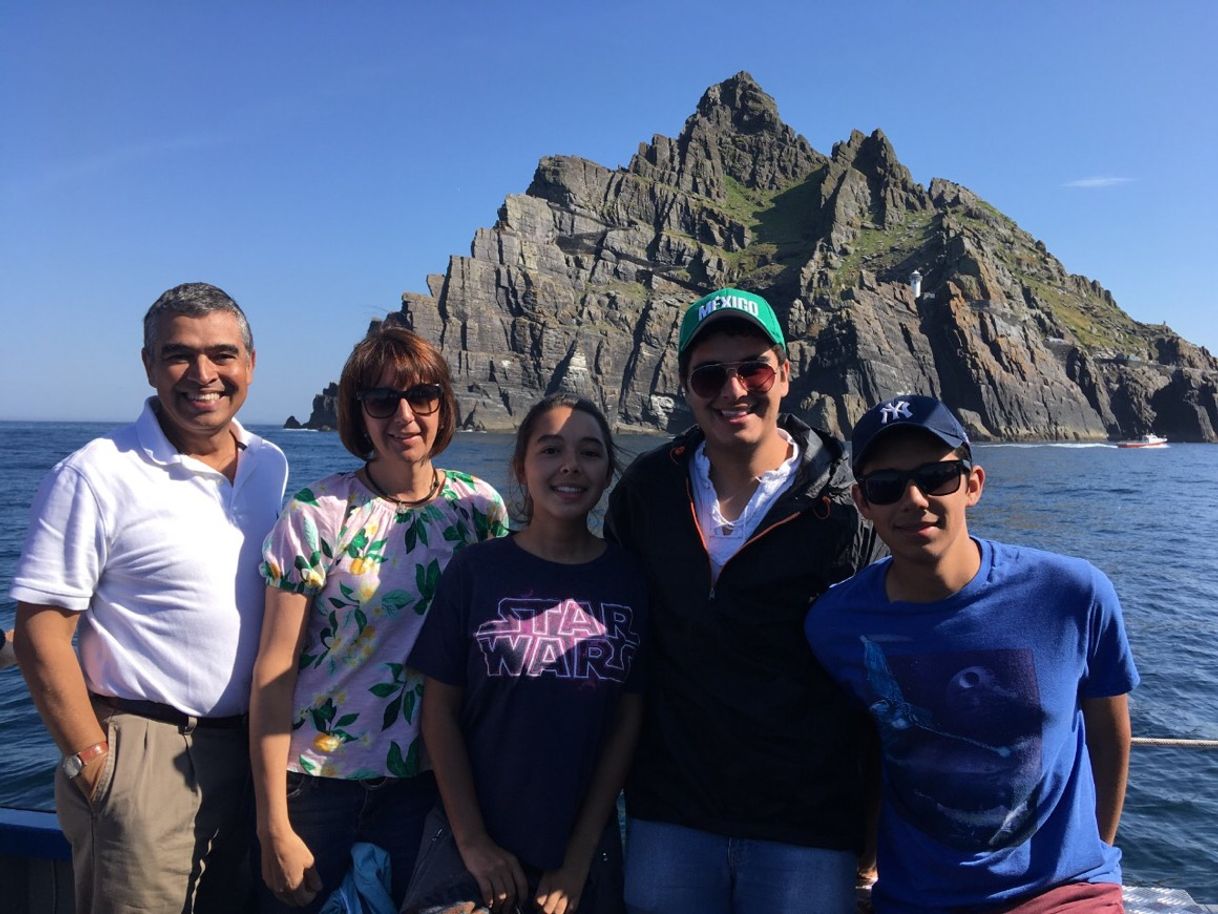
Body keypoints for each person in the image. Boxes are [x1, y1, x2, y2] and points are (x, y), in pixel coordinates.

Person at [12, 282, 289, 914]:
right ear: (148, 365)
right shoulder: (95, 474)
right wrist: (94, 761)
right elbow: (40, 631)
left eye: (222, 354)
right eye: (178, 355)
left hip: (253, 751)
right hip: (144, 751)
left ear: (249, 363)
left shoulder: (269, 462)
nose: (203, 375)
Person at [604, 288, 883, 914]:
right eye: (710, 375)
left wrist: (873, 837)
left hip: (807, 828)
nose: (734, 390)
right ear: (685, 387)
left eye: (753, 368)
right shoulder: (646, 491)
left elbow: (881, 671)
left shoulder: (846, 503)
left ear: (784, 373)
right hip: (669, 817)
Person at [805, 395, 1138, 913]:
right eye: (886, 487)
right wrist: (866, 863)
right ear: (863, 504)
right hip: (916, 899)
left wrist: (1094, 856)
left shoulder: (1073, 594)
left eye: (936, 477)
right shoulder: (834, 624)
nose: (913, 499)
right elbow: (863, 748)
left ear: (973, 484)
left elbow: (1109, 732)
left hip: (1063, 893)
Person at [249, 325, 509, 913]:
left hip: (425, 782)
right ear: (358, 414)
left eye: (423, 396)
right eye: (381, 401)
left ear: (443, 405)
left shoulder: (478, 510)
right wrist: (273, 825)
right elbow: (275, 668)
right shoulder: (318, 515)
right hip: (316, 784)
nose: (405, 416)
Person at [403, 394, 647, 914]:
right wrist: (473, 843)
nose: (570, 466)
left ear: (607, 473)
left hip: (580, 851)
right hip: (469, 839)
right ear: (521, 466)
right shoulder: (476, 571)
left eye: (590, 453)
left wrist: (579, 858)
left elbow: (627, 720)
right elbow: (439, 711)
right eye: (550, 449)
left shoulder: (630, 579)